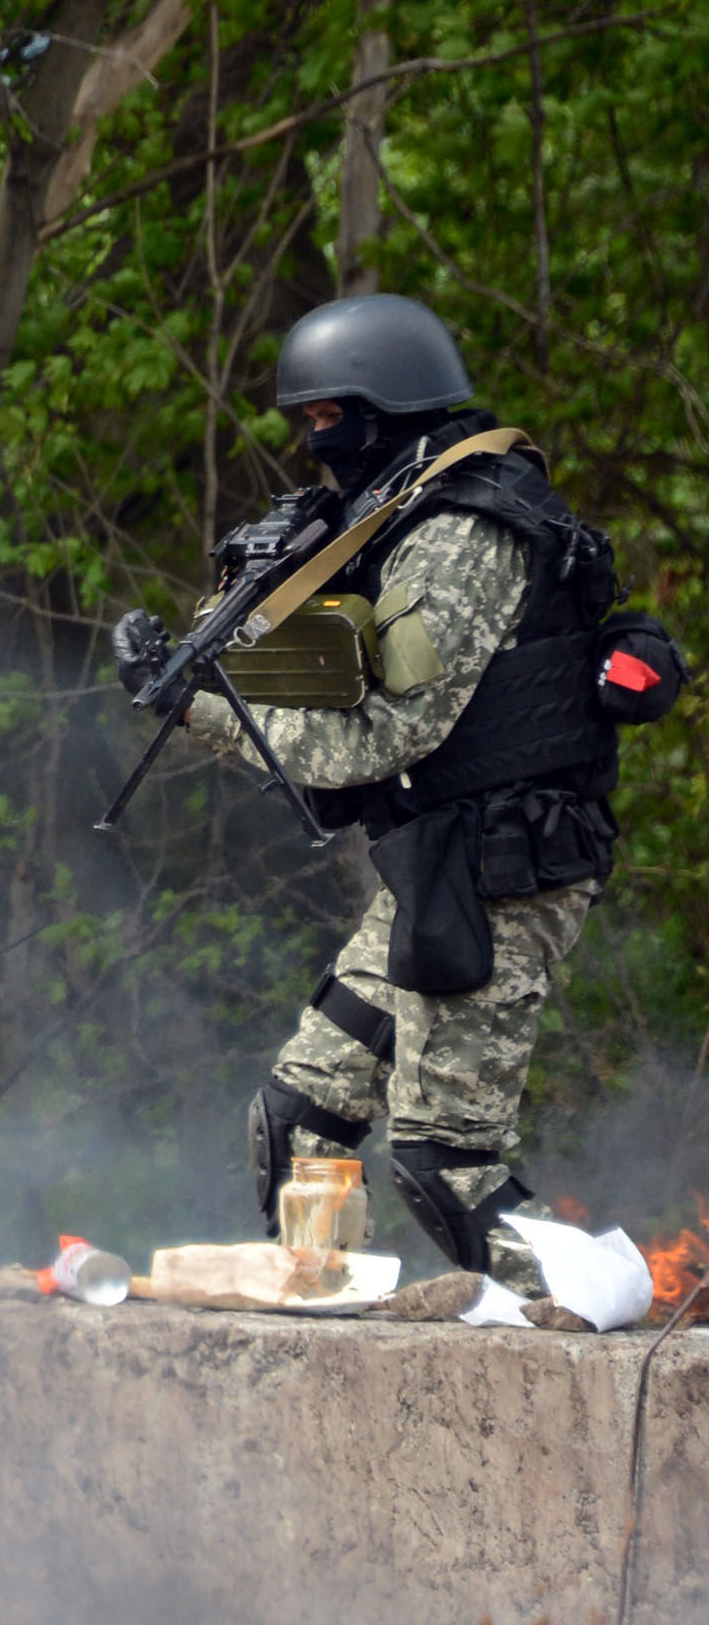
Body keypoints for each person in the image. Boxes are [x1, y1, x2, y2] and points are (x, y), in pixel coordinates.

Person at [112, 295, 678, 1297]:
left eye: (331, 416)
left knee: (448, 1164)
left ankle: (618, 1306)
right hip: (442, 863)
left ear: (388, 405)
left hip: (505, 868)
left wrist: (209, 715)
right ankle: (326, 1298)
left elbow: (388, 732)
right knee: (301, 1119)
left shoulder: (463, 528)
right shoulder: (397, 507)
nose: (315, 439)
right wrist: (207, 681)